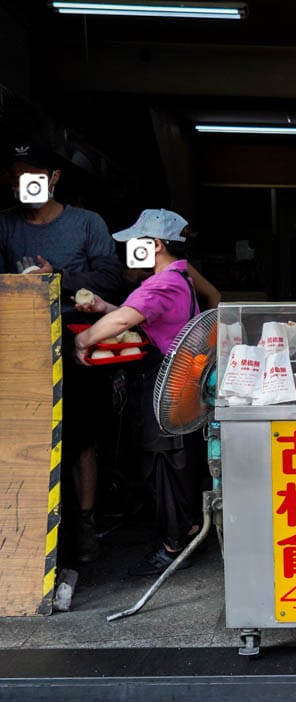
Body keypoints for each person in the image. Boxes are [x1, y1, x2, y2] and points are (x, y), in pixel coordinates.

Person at [0, 137, 125, 564]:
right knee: (25, 438)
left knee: (81, 439)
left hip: (78, 346)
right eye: (15, 179)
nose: (22, 186)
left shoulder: (87, 223)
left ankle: (85, 525)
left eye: (31, 177)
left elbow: (112, 279)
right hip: (20, 348)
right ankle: (26, 527)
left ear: (53, 178)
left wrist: (60, 277)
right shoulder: (5, 224)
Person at [73, 208, 206, 576]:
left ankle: (174, 544)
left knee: (164, 466)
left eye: (138, 242)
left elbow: (124, 321)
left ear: (157, 244)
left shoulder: (163, 283)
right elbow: (136, 314)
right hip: (173, 383)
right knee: (170, 463)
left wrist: (84, 338)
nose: (131, 249)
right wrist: (103, 306)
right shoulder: (177, 280)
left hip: (163, 382)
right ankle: (185, 531)